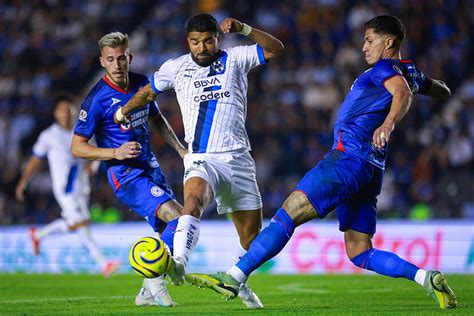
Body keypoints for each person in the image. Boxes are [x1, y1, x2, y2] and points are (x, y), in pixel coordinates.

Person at [185, 15, 458, 310]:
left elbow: (402, 94)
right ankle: (426, 277)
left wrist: (388, 124)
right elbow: (442, 89)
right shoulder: (408, 72)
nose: (364, 47)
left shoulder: (385, 68)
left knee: (288, 213)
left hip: (347, 160)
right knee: (359, 252)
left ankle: (234, 277)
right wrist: (422, 83)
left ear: (389, 42)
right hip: (371, 170)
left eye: (369, 40)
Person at [114, 14, 284, 308]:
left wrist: (244, 29)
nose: (202, 47)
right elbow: (147, 92)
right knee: (192, 201)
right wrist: (124, 110)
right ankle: (178, 262)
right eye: (195, 42)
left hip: (239, 159)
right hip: (202, 158)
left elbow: (275, 49)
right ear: (188, 42)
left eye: (208, 40)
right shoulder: (176, 68)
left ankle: (239, 281)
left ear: (218, 38)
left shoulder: (236, 58)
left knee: (252, 241)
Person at [71, 32, 187, 307]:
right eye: (110, 59)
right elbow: (77, 147)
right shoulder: (97, 99)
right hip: (125, 175)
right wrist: (114, 153)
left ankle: (146, 293)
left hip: (150, 167)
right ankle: (152, 278)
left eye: (121, 57)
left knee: (170, 230)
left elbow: (156, 119)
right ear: (102, 62)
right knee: (179, 218)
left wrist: (180, 149)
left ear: (129, 57)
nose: (117, 63)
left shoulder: (141, 83)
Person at [15, 94, 120, 277]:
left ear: (75, 111)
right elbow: (35, 160)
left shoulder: (83, 131)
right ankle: (104, 264)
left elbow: (95, 153)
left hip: (82, 185)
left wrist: (93, 166)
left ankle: (38, 235)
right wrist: (24, 181)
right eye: (62, 109)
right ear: (55, 113)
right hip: (65, 188)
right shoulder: (48, 135)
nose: (66, 113)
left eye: (69, 109)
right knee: (81, 222)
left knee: (81, 225)